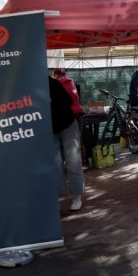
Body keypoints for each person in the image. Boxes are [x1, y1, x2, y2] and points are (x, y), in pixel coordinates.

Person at [49, 76, 85, 211]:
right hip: (50, 129)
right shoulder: (30, 88)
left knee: (73, 161)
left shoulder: (53, 83)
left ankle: (77, 196)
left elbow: (69, 100)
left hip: (66, 124)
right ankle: (58, 197)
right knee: (55, 164)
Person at [53, 68, 85, 162]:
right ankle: (82, 160)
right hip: (79, 112)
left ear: (56, 75)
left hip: (70, 115)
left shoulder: (59, 84)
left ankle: (75, 162)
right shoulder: (71, 82)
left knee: (71, 142)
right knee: (79, 138)